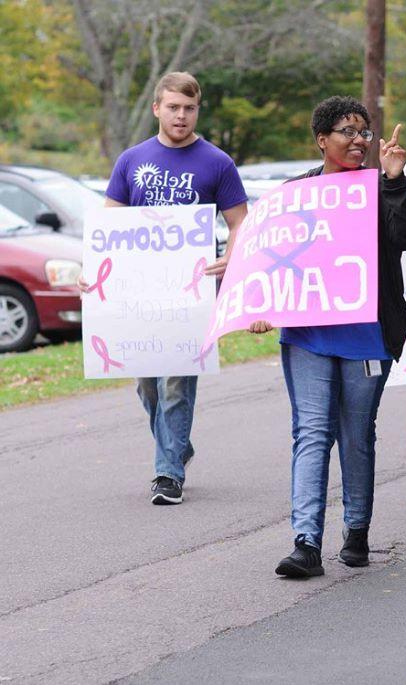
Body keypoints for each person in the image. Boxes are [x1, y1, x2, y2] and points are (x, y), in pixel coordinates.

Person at [262, 96, 406, 577]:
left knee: (356, 436)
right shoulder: (296, 193)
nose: (359, 141)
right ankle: (306, 542)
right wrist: (261, 306)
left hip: (368, 337)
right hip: (309, 336)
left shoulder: (381, 188)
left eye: (365, 132)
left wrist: (395, 179)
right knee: (312, 433)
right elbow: (273, 255)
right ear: (321, 140)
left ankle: (356, 532)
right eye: (346, 132)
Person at [93, 72, 248, 506]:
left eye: (189, 108)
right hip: (139, 295)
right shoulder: (130, 160)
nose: (181, 115)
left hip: (191, 293)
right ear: (157, 108)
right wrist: (97, 275)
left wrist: (234, 258)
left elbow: (240, 222)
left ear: (198, 110)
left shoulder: (217, 162)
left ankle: (167, 474)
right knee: (147, 386)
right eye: (173, 107)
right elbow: (110, 226)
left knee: (175, 384)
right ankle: (176, 443)